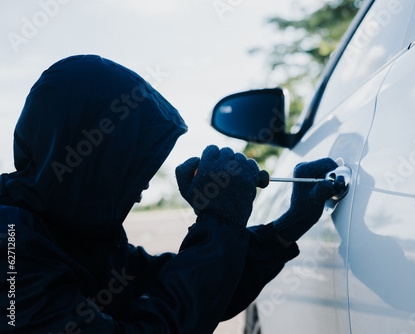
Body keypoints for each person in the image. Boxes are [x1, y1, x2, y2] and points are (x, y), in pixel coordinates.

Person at [0, 55, 342, 333]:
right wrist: (219, 224)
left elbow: (186, 295)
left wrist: (284, 230)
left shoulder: (73, 233)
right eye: (128, 173)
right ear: (88, 163)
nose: (141, 192)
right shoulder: (10, 250)